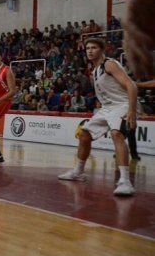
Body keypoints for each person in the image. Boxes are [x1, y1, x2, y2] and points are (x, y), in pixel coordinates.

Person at [58, 38, 137, 196]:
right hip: (107, 108)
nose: (90, 50)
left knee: (116, 134)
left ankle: (125, 181)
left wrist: (132, 111)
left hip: (121, 105)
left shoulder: (109, 64)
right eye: (87, 48)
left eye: (94, 47)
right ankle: (78, 172)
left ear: (102, 50)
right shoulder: (95, 71)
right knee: (84, 135)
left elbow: (131, 85)